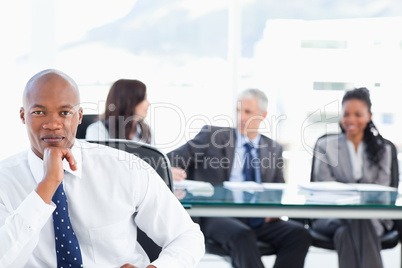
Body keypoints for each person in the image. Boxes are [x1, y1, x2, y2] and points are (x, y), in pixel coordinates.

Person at [0, 69, 204, 268]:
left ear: (79, 116)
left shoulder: (124, 168)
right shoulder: (5, 180)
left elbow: (186, 236)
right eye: (38, 112)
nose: (53, 124)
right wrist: (46, 186)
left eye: (64, 113)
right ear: (22, 116)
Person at [167, 89, 311, 268]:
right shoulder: (213, 136)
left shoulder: (273, 148)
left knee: (299, 234)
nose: (241, 117)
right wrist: (169, 169)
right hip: (217, 217)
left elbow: (277, 189)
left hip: (258, 219)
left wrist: (273, 211)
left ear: (263, 115)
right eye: (238, 110)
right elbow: (168, 159)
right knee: (242, 235)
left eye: (248, 112)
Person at [311, 87, 395, 268]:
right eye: (346, 114)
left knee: (346, 232)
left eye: (358, 114)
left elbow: (382, 190)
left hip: (373, 217)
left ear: (368, 116)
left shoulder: (382, 149)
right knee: (357, 219)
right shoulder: (325, 145)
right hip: (331, 215)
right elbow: (324, 185)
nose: (351, 120)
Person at [85, 79, 152, 144]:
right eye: (144, 98)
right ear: (128, 102)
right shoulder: (98, 130)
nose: (149, 104)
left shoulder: (146, 131)